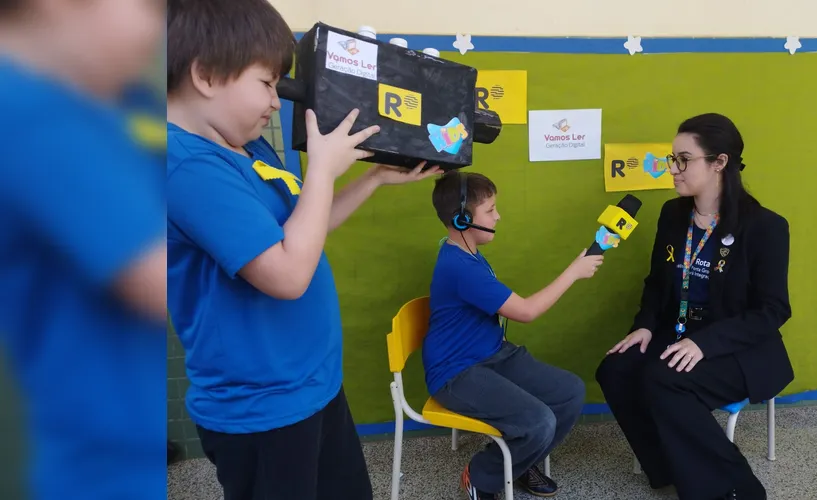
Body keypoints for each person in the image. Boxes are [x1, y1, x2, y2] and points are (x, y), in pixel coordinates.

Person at [165, 1, 439, 498]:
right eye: (267, 83)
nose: (276, 101)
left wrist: (374, 177)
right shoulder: (185, 167)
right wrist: (321, 170)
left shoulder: (248, 148)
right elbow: (288, 276)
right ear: (205, 74)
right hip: (264, 411)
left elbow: (302, 234)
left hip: (314, 386)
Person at [0, 0, 168, 499]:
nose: (158, 28)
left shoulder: (111, 102)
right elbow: (157, 282)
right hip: (106, 468)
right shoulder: (32, 115)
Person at [595, 113, 794, 500]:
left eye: (683, 159)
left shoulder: (765, 227)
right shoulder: (673, 214)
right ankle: (669, 468)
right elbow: (656, 283)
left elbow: (772, 310)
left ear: (719, 163)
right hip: (679, 330)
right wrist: (646, 326)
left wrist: (705, 345)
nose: (673, 169)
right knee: (615, 369)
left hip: (736, 346)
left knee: (662, 379)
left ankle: (736, 489)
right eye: (672, 159)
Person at [424, 171, 599, 499]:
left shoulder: (466, 252)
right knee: (539, 422)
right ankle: (481, 476)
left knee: (570, 392)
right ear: (463, 220)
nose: (498, 215)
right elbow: (527, 312)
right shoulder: (459, 266)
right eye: (490, 211)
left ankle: (518, 462)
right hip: (455, 372)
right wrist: (573, 273)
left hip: (492, 353)